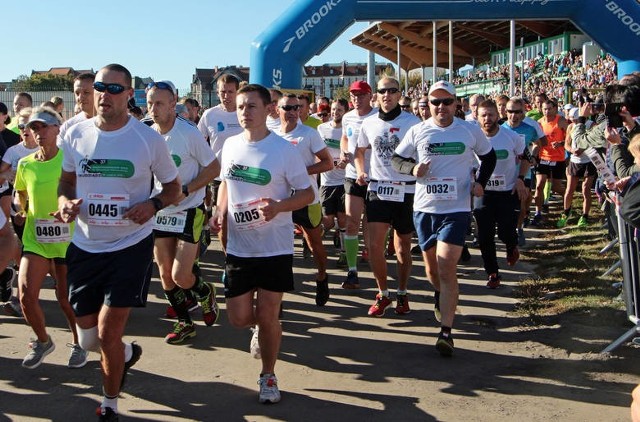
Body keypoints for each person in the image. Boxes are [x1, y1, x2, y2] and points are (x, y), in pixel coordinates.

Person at [55, 63, 181, 421]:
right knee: (88, 340)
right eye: (99, 87)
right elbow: (66, 182)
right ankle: (125, 355)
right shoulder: (75, 133)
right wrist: (65, 203)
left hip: (130, 245)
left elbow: (173, 189)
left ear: (129, 95)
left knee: (109, 333)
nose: (104, 95)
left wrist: (152, 204)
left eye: (113, 89)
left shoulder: (148, 139)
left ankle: (109, 401)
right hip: (85, 244)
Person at [212, 83, 314, 404]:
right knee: (240, 318)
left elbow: (307, 194)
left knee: (268, 313)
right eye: (240, 107)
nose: (244, 112)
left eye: (251, 106)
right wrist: (219, 210)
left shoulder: (285, 150)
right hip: (240, 245)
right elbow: (225, 184)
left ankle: (268, 375)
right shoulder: (229, 145)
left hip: (275, 246)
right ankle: (263, 327)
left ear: (268, 108)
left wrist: (279, 207)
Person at [392, 80, 496, 356]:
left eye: (446, 101)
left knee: (447, 266)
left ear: (456, 104)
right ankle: (440, 294)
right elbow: (396, 160)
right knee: (431, 272)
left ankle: (446, 332)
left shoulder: (470, 130)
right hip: (425, 209)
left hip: (456, 209)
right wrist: (413, 169)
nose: (441, 107)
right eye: (435, 102)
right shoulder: (418, 130)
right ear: (428, 105)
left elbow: (489, 157)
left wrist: (480, 182)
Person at [146, 80, 220, 344]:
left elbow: (214, 168)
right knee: (165, 274)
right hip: (161, 210)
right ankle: (184, 323)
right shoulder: (148, 134)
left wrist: (187, 190)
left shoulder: (188, 133)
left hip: (189, 209)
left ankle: (204, 291)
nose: (154, 109)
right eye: (150, 102)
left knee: (180, 275)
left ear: (173, 103)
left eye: (160, 103)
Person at [13, 106, 87, 369]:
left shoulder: (70, 160)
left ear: (58, 128)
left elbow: (83, 191)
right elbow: (21, 192)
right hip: (36, 238)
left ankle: (79, 343)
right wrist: (20, 210)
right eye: (34, 127)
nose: (38, 132)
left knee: (65, 299)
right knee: (25, 295)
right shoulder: (25, 163)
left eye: (44, 126)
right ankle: (43, 341)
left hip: (67, 239)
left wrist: (70, 207)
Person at [355, 77, 421, 316]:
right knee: (374, 246)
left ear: (398, 94)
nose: (387, 95)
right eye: (382, 91)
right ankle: (383, 293)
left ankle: (402, 292)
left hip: (406, 189)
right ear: (376, 95)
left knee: (403, 248)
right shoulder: (369, 122)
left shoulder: (413, 122)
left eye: (392, 91)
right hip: (378, 189)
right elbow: (359, 150)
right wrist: (361, 170)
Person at [276, 94, 333, 306]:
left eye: (296, 108)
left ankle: (321, 276)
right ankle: (278, 294)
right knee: (280, 246)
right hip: (281, 199)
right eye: (287, 107)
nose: (292, 111)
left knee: (315, 243)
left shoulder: (309, 134)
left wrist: (300, 172)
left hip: (307, 199)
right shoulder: (271, 135)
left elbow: (328, 163)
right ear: (277, 110)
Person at [473, 100, 529, 288]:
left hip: (507, 192)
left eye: (491, 114)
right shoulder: (473, 138)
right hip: (483, 192)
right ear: (477, 117)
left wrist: (521, 178)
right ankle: (493, 273)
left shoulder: (512, 137)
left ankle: (511, 245)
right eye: (483, 115)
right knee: (485, 236)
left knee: (506, 232)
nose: (487, 119)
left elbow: (527, 158)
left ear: (498, 115)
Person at [339, 81, 377, 289]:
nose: (356, 99)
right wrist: (345, 151)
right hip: (352, 175)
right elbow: (345, 137)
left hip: (376, 177)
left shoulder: (378, 116)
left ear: (370, 96)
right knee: (352, 221)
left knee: (372, 225)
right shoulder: (347, 117)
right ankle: (352, 271)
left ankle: (373, 256)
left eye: (361, 95)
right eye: (353, 95)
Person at [501, 97, 546, 246]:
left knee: (521, 205)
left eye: (517, 112)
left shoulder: (529, 129)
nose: (513, 115)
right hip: (503, 174)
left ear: (523, 113)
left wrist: (533, 156)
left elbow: (538, 143)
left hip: (523, 172)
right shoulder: (500, 128)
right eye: (510, 112)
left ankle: (518, 228)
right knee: (505, 206)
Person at [318, 98, 349, 268]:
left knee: (344, 218)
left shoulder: (348, 130)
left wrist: (346, 161)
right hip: (327, 181)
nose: (335, 113)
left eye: (339, 110)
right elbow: (315, 151)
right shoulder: (321, 128)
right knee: (328, 220)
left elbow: (354, 152)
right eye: (334, 109)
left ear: (345, 112)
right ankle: (335, 229)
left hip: (343, 181)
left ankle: (344, 253)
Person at [557, 107, 596, 228]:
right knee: (569, 189)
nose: (574, 123)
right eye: (572, 120)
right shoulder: (570, 127)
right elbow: (567, 143)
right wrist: (572, 150)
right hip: (575, 161)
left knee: (585, 189)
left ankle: (585, 216)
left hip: (589, 160)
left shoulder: (591, 125)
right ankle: (566, 212)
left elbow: (596, 141)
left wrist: (583, 149)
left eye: (576, 120)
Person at [531, 99, 568, 226]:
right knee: (539, 185)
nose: (546, 111)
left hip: (558, 159)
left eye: (549, 108)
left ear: (555, 109)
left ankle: (568, 204)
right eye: (544, 109)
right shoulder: (539, 123)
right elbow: (535, 141)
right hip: (543, 158)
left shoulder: (561, 121)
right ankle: (538, 213)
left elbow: (570, 139)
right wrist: (534, 154)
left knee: (557, 187)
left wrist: (561, 143)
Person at [59, 73, 96, 141]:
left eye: (86, 92)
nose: (80, 97)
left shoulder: (113, 123)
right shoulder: (68, 126)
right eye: (77, 93)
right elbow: (60, 151)